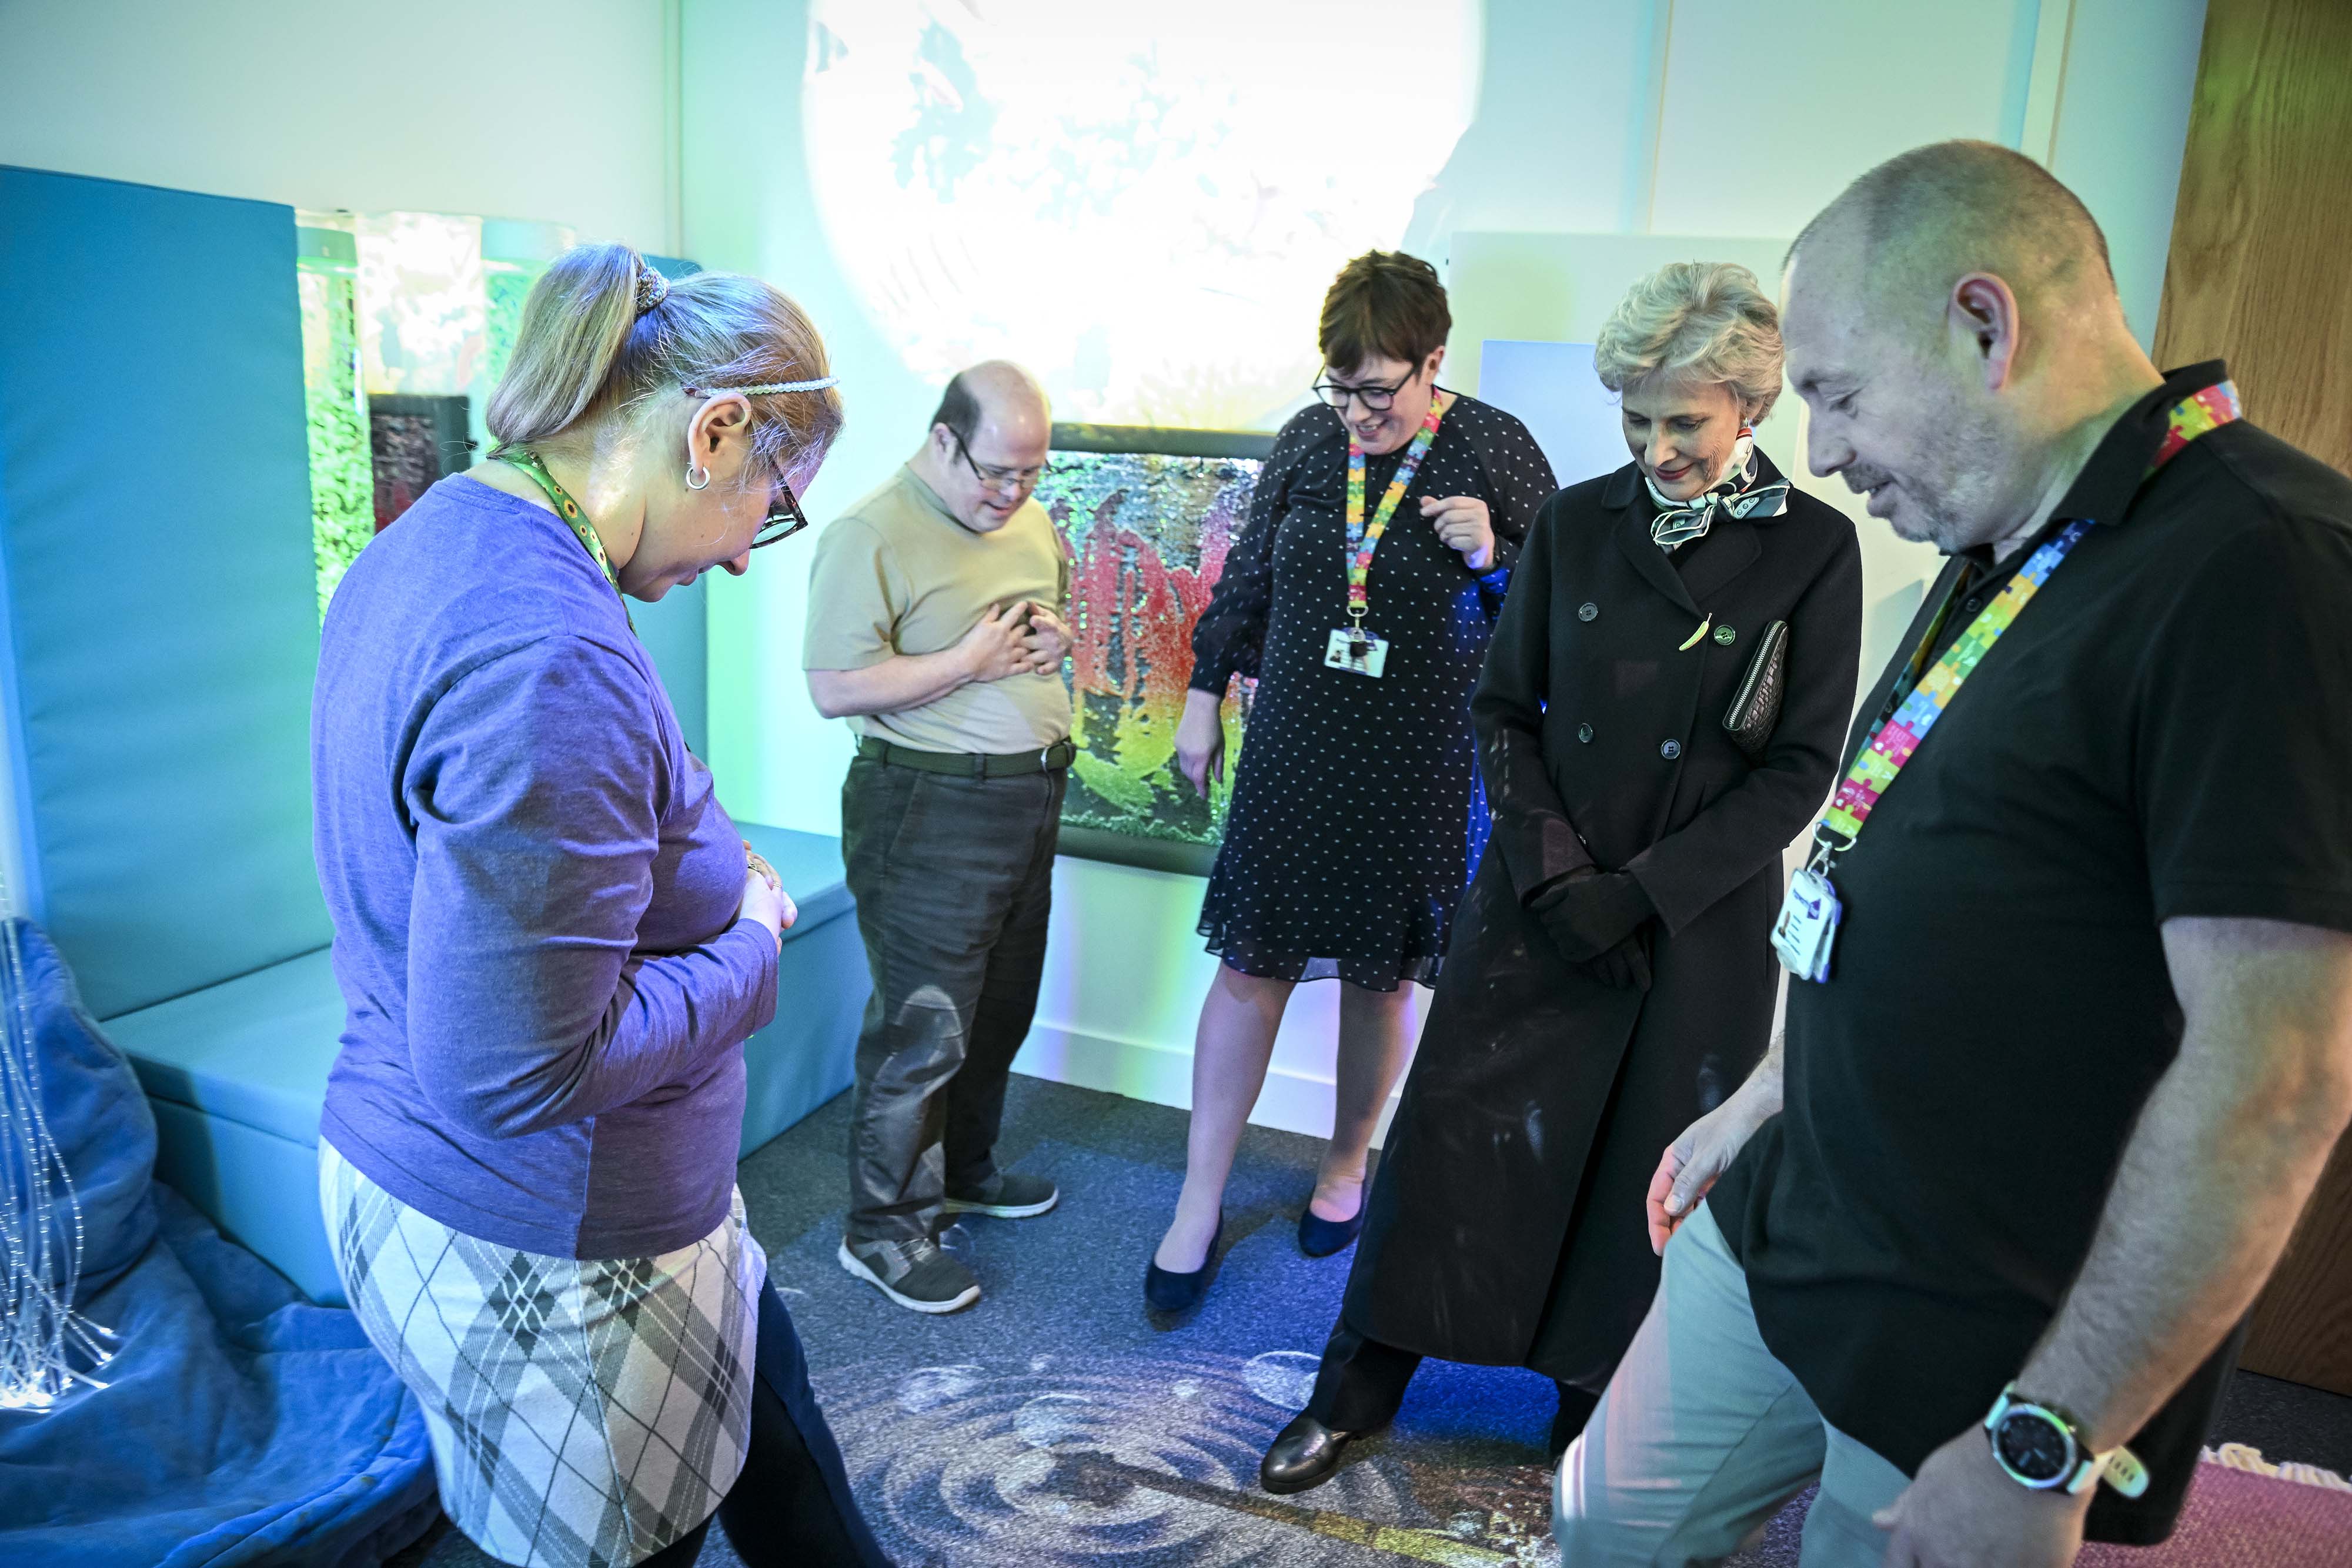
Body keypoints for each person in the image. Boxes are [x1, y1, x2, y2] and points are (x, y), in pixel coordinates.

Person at [1556, 140, 2352, 1568]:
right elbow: (1880, 870)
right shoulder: (2008, 537)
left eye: (1835, 393)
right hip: (1789, 1208)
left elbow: (2274, 1082)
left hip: (1977, 1331)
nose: (1817, 450)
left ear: (1984, 324)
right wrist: (1765, 1091)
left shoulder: (2267, 569)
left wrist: (2045, 1437)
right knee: (1603, 1523)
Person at [312, 246, 888, 1567]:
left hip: (536, 1194)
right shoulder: (550, 650)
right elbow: (518, 1072)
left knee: (782, 1443)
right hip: (555, 1242)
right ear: (715, 429)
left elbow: (628, 797)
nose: (750, 557)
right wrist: (749, 943)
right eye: (770, 505)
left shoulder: (457, 531)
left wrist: (711, 859)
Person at [1261, 263, 1863, 1495]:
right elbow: (1502, 708)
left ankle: (1591, 1408)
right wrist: (1554, 872)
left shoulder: (1811, 548)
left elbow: (1801, 765)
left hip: (1689, 921)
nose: (1654, 448)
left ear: (1748, 404)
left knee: (1640, 1175)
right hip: (1537, 897)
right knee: (1451, 1145)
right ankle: (1357, 1383)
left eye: (1680, 421)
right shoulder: (1580, 520)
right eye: (1634, 419)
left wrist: (1640, 892)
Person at [1147, 250, 1558, 1310]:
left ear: (1434, 363)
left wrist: (1496, 557)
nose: (1356, 412)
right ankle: (1198, 1202)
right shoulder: (1306, 439)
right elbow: (1247, 581)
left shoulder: (1496, 450)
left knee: (1386, 976)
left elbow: (1559, 626)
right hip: (1297, 744)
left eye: (1378, 390)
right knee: (1251, 966)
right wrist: (1203, 694)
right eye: (1340, 387)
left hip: (1421, 756)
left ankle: (1345, 1166)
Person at [804, 362, 1073, 1316]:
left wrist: (1053, 643)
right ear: (944, 438)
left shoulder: (1028, 519)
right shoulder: (869, 532)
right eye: (996, 473)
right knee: (925, 1029)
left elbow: (1043, 615)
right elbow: (835, 685)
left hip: (1030, 799)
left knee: (1000, 1010)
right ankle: (881, 1231)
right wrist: (967, 661)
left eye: (1031, 474)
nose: (1012, 495)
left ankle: (968, 1173)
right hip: (926, 807)